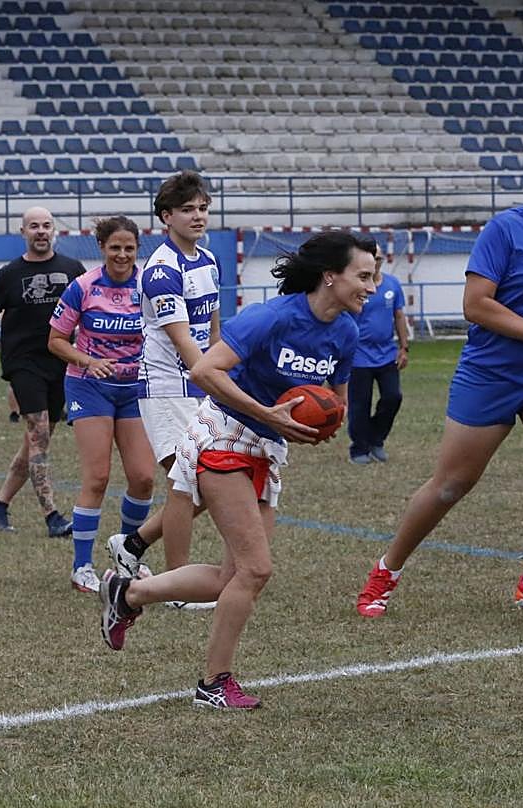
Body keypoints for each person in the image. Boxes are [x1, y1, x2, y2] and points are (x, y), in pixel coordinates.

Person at [99, 231, 374, 709]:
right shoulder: (272, 317)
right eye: (363, 276)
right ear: (330, 276)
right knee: (256, 568)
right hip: (224, 436)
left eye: (374, 277)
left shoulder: (346, 332)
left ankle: (128, 594)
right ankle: (213, 684)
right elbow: (205, 371)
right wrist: (268, 413)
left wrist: (322, 421)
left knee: (233, 576)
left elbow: (336, 400)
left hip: (266, 447)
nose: (372, 287)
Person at [356, 140, 523, 618]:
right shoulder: (504, 230)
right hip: (490, 372)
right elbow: (475, 306)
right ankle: (386, 570)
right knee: (450, 485)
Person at [106, 171, 220, 598]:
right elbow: (182, 338)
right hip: (166, 387)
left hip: (201, 384)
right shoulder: (160, 270)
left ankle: (133, 544)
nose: (198, 216)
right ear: (166, 216)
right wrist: (218, 382)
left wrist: (221, 374)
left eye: (203, 208)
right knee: (188, 484)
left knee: (210, 485)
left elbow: (212, 329)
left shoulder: (209, 261)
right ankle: (177, 587)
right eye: (187, 209)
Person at [0, 206, 84, 538]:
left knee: (35, 443)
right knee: (39, 437)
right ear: (23, 232)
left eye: (46, 225)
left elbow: (90, 313)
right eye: (34, 226)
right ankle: (53, 517)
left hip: (61, 362)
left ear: (54, 230)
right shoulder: (9, 274)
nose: (41, 231)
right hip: (23, 364)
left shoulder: (73, 270)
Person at [47, 216, 154, 593]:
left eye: (129, 248)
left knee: (143, 477)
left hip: (135, 388)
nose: (122, 255)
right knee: (98, 476)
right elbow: (55, 341)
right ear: (102, 248)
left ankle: (127, 556)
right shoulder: (82, 287)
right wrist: (88, 361)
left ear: (137, 249)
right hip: (89, 387)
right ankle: (82, 567)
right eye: (115, 248)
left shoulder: (149, 286)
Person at [346, 247, 409, 464]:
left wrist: (404, 347)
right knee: (359, 404)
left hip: (387, 354)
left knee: (393, 397)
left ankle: (376, 438)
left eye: (379, 258)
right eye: (373, 258)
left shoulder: (392, 284)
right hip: (359, 356)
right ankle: (359, 448)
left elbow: (399, 315)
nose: (377, 261)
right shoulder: (355, 286)